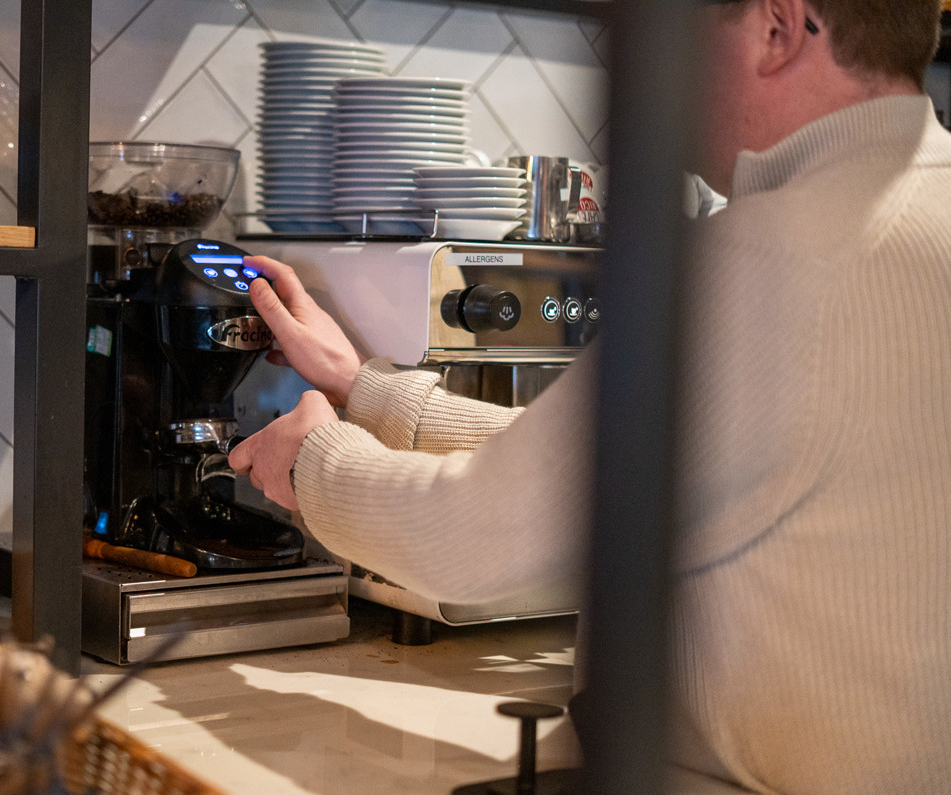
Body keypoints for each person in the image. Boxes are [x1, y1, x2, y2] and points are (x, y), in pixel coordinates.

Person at [230, 0, 951, 790]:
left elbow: (465, 537)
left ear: (777, 29)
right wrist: (366, 389)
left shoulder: (774, 252)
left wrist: (312, 459)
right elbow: (634, 465)